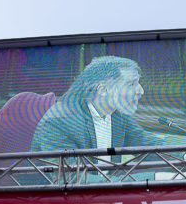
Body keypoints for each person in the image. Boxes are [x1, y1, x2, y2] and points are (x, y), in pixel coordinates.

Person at [30, 56, 164, 160]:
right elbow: (73, 179)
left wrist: (179, 155)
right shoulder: (59, 123)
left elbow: (148, 144)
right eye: (131, 84)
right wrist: (155, 177)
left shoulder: (116, 115)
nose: (141, 91)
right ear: (103, 90)